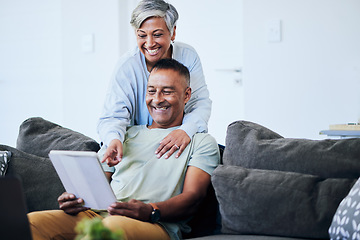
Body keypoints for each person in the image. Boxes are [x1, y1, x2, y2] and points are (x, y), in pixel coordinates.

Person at [28, 59, 219, 240]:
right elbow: (97, 182)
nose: (157, 99)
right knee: (31, 223)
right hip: (97, 215)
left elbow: (193, 198)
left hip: (155, 224)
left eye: (167, 92)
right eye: (151, 91)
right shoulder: (124, 136)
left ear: (186, 95)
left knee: (108, 229)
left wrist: (151, 210)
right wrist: (75, 198)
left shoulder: (201, 142)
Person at [98, 0, 211, 166]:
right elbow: (112, 116)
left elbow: (199, 102)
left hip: (177, 140)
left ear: (173, 32)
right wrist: (114, 139)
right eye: (142, 35)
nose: (150, 43)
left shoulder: (188, 55)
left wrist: (185, 130)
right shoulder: (126, 66)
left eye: (157, 34)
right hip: (138, 144)